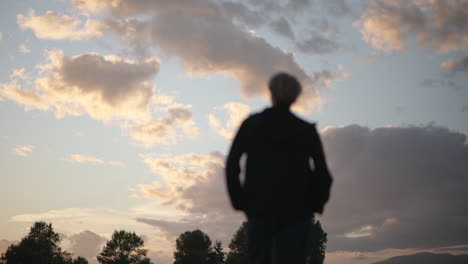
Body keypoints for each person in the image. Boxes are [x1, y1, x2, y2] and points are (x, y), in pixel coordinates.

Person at [225, 72, 332, 264]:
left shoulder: (252, 125)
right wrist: (315, 205)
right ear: (296, 96)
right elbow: (323, 174)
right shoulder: (306, 130)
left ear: (271, 92)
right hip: (298, 211)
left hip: (259, 209)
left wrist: (240, 201)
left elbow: (232, 164)